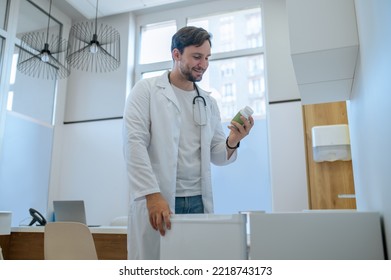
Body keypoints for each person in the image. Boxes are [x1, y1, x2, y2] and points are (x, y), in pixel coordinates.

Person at [123, 26, 254, 260]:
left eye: (207, 58)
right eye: (196, 56)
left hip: (197, 200)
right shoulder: (146, 91)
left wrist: (233, 141)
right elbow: (134, 145)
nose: (203, 64)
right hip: (159, 196)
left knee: (193, 263)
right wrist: (151, 195)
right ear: (176, 55)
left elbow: (216, 154)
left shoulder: (208, 101)